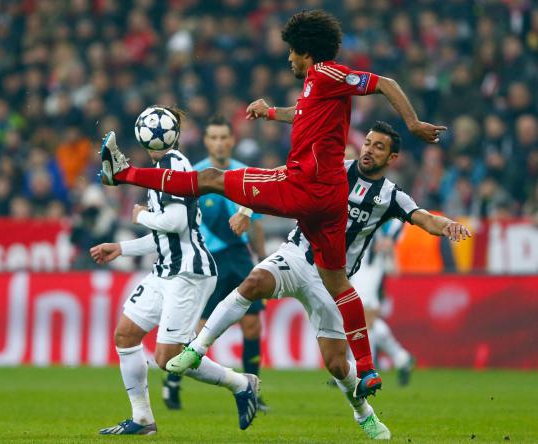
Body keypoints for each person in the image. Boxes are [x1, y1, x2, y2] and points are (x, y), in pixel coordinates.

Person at [99, 10, 447, 397]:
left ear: (306, 52)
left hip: (301, 187)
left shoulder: (328, 74)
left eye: (292, 52)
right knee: (338, 282)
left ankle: (123, 174)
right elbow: (303, 115)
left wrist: (414, 124)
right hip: (331, 198)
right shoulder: (319, 88)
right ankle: (366, 369)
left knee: (211, 179)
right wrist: (269, 113)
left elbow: (385, 82)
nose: (288, 59)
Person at [159, 121, 471, 439]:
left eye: (379, 147)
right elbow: (278, 177)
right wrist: (246, 210)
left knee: (337, 364)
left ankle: (364, 413)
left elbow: (424, 218)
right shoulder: (333, 169)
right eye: (368, 143)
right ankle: (197, 348)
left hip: (332, 280)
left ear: (392, 159)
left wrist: (448, 225)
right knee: (253, 282)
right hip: (297, 254)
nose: (370, 150)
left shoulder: (391, 196)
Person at [90, 106, 259, 435]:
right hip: (166, 270)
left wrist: (138, 215)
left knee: (169, 358)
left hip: (189, 272)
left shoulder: (173, 165)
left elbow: (175, 221)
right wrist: (122, 248)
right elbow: (163, 234)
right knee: (126, 335)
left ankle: (241, 383)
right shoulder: (161, 169)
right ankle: (142, 419)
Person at [163, 115, 268, 411]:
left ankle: (253, 391)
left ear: (232, 140)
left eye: (224, 137)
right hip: (207, 261)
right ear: (207, 141)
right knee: (200, 327)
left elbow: (256, 222)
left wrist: (261, 258)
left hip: (242, 257)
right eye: (214, 138)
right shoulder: (195, 176)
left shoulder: (245, 174)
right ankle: (172, 381)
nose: (220, 143)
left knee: (252, 326)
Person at [349, 219, 415, 385]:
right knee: (368, 327)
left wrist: (388, 247)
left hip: (367, 287)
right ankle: (402, 358)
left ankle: (359, 371)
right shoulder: (363, 227)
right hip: (358, 283)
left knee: (360, 326)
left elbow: (394, 269)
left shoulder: (382, 228)